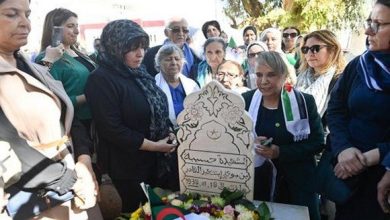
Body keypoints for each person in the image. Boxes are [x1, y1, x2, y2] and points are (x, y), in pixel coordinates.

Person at [0, 0, 100, 219]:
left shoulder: (35, 68)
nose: (25, 23)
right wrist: (67, 179)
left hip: (68, 176)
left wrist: (83, 161)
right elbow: (9, 141)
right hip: (33, 193)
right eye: (11, 14)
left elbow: (65, 113)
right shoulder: (46, 62)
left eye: (27, 14)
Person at [85, 19, 177, 213]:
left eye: (143, 47)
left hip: (155, 161)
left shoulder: (139, 73)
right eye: (132, 48)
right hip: (128, 168)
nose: (140, 54)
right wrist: (154, 146)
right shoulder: (100, 79)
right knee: (138, 213)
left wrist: (169, 134)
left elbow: (157, 107)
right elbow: (112, 129)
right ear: (115, 48)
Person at [242, 51, 324, 220]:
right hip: (258, 182)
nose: (264, 81)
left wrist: (281, 152)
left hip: (296, 182)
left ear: (284, 75)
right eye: (259, 75)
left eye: (271, 75)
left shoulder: (304, 102)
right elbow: (233, 138)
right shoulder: (246, 100)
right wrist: (249, 142)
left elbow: (317, 142)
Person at [327, 0, 390, 219]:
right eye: (369, 21)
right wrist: (343, 148)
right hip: (348, 174)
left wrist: (373, 158)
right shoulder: (359, 65)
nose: (367, 30)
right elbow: (336, 109)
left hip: (383, 178)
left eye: (379, 24)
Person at [36, 8, 97, 133]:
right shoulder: (47, 58)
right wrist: (89, 96)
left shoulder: (80, 53)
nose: (76, 31)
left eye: (77, 26)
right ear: (55, 30)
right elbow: (54, 100)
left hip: (95, 119)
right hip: (75, 124)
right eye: (70, 26)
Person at [296, 30, 345, 118]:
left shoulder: (342, 80)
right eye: (305, 49)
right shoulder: (300, 76)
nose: (309, 53)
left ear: (332, 50)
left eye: (315, 48)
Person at [154, 44, 200, 128]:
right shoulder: (153, 86)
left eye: (177, 59)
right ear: (159, 63)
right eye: (168, 59)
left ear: (182, 63)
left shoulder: (192, 85)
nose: (174, 63)